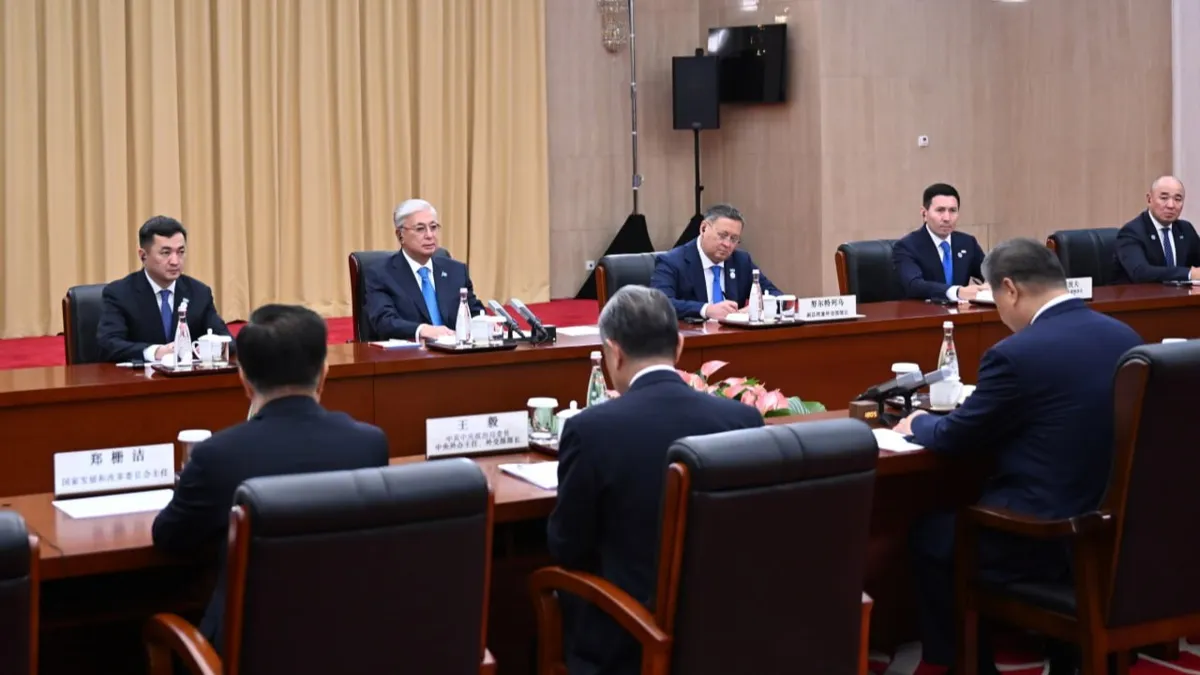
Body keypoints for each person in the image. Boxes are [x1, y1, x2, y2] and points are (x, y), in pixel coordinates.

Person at [892, 238, 1142, 675]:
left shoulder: (1015, 354)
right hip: (1112, 532)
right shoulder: (1125, 337)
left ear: (1009, 289)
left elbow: (955, 438)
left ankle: (965, 666)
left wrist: (917, 423)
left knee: (931, 536)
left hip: (1043, 536)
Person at [547, 285, 764, 675]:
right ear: (679, 346)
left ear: (614, 352)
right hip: (727, 631)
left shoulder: (591, 430)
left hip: (630, 639)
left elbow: (568, 547)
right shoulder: (743, 420)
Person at [152, 304, 389, 654]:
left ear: (244, 380)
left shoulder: (217, 455)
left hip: (246, 655)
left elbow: (169, 538)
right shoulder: (369, 445)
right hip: (350, 645)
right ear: (324, 373)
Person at [96, 216, 232, 363]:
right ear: (143, 256)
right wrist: (155, 352)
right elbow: (108, 345)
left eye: (180, 252)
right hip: (140, 376)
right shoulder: (119, 293)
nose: (175, 261)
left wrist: (212, 347)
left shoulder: (199, 293)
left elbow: (228, 340)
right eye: (166, 253)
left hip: (188, 375)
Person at [363, 199, 485, 340]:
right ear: (400, 235)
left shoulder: (456, 271)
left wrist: (485, 323)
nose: (429, 235)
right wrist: (422, 330)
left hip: (456, 350)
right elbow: (384, 322)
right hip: (411, 351)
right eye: (420, 229)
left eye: (433, 227)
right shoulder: (381, 274)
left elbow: (474, 312)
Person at [650, 203, 782, 320]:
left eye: (734, 239)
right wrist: (706, 310)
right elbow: (659, 304)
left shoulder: (741, 261)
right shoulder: (672, 261)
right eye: (722, 236)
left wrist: (756, 307)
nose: (727, 244)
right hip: (695, 336)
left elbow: (776, 295)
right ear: (703, 228)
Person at [892, 183, 988, 301]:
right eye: (940, 210)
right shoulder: (906, 246)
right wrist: (957, 292)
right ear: (924, 213)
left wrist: (992, 284)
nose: (947, 218)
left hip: (960, 310)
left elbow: (989, 273)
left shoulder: (967, 243)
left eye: (952, 210)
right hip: (924, 310)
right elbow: (914, 285)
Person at [1112, 175, 1200, 283]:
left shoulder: (1185, 229)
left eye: (1178, 199)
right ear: (1149, 199)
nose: (1171, 205)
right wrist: (1189, 274)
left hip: (1180, 293)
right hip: (1140, 293)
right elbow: (1140, 272)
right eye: (1164, 198)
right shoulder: (1131, 232)